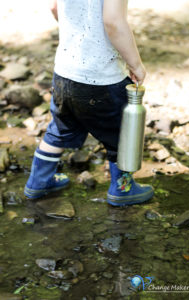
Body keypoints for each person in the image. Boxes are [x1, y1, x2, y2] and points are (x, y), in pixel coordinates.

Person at [24, 0, 154, 206]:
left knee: (59, 129)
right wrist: (135, 64)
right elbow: (113, 22)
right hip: (101, 78)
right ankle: (123, 189)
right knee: (121, 135)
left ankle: (37, 183)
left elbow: (54, 6)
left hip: (64, 73)